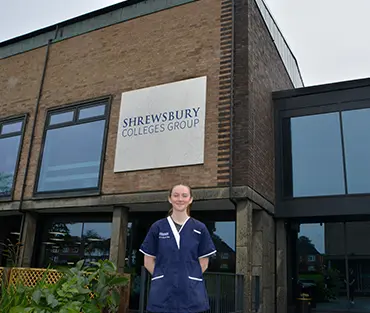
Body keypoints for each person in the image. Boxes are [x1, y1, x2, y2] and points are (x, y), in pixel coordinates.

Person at [139, 184, 217, 313]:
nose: (180, 199)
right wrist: (164, 276)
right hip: (162, 296)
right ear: (170, 199)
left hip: (192, 295)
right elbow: (148, 261)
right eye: (176, 195)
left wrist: (187, 277)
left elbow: (203, 263)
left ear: (190, 199)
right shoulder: (158, 227)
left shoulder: (199, 228)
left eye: (184, 195)